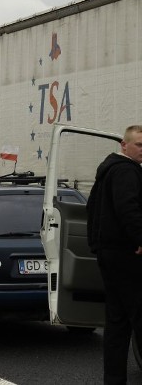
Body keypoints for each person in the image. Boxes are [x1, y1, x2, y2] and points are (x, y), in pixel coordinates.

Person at [87, 124, 142, 384]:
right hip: (128, 256)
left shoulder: (106, 170)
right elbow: (128, 209)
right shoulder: (126, 171)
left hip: (110, 255)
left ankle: (114, 380)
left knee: (117, 324)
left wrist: (96, 246)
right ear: (124, 144)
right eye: (139, 145)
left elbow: (91, 208)